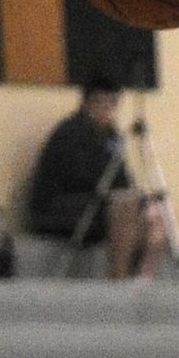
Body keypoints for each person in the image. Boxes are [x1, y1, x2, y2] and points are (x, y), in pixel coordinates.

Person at [26, 74, 166, 280]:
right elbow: (83, 179)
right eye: (103, 102)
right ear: (89, 103)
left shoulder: (112, 137)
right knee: (123, 203)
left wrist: (144, 202)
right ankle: (118, 276)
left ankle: (143, 276)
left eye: (113, 103)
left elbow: (122, 180)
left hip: (99, 204)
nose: (109, 109)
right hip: (60, 206)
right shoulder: (70, 133)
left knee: (158, 210)